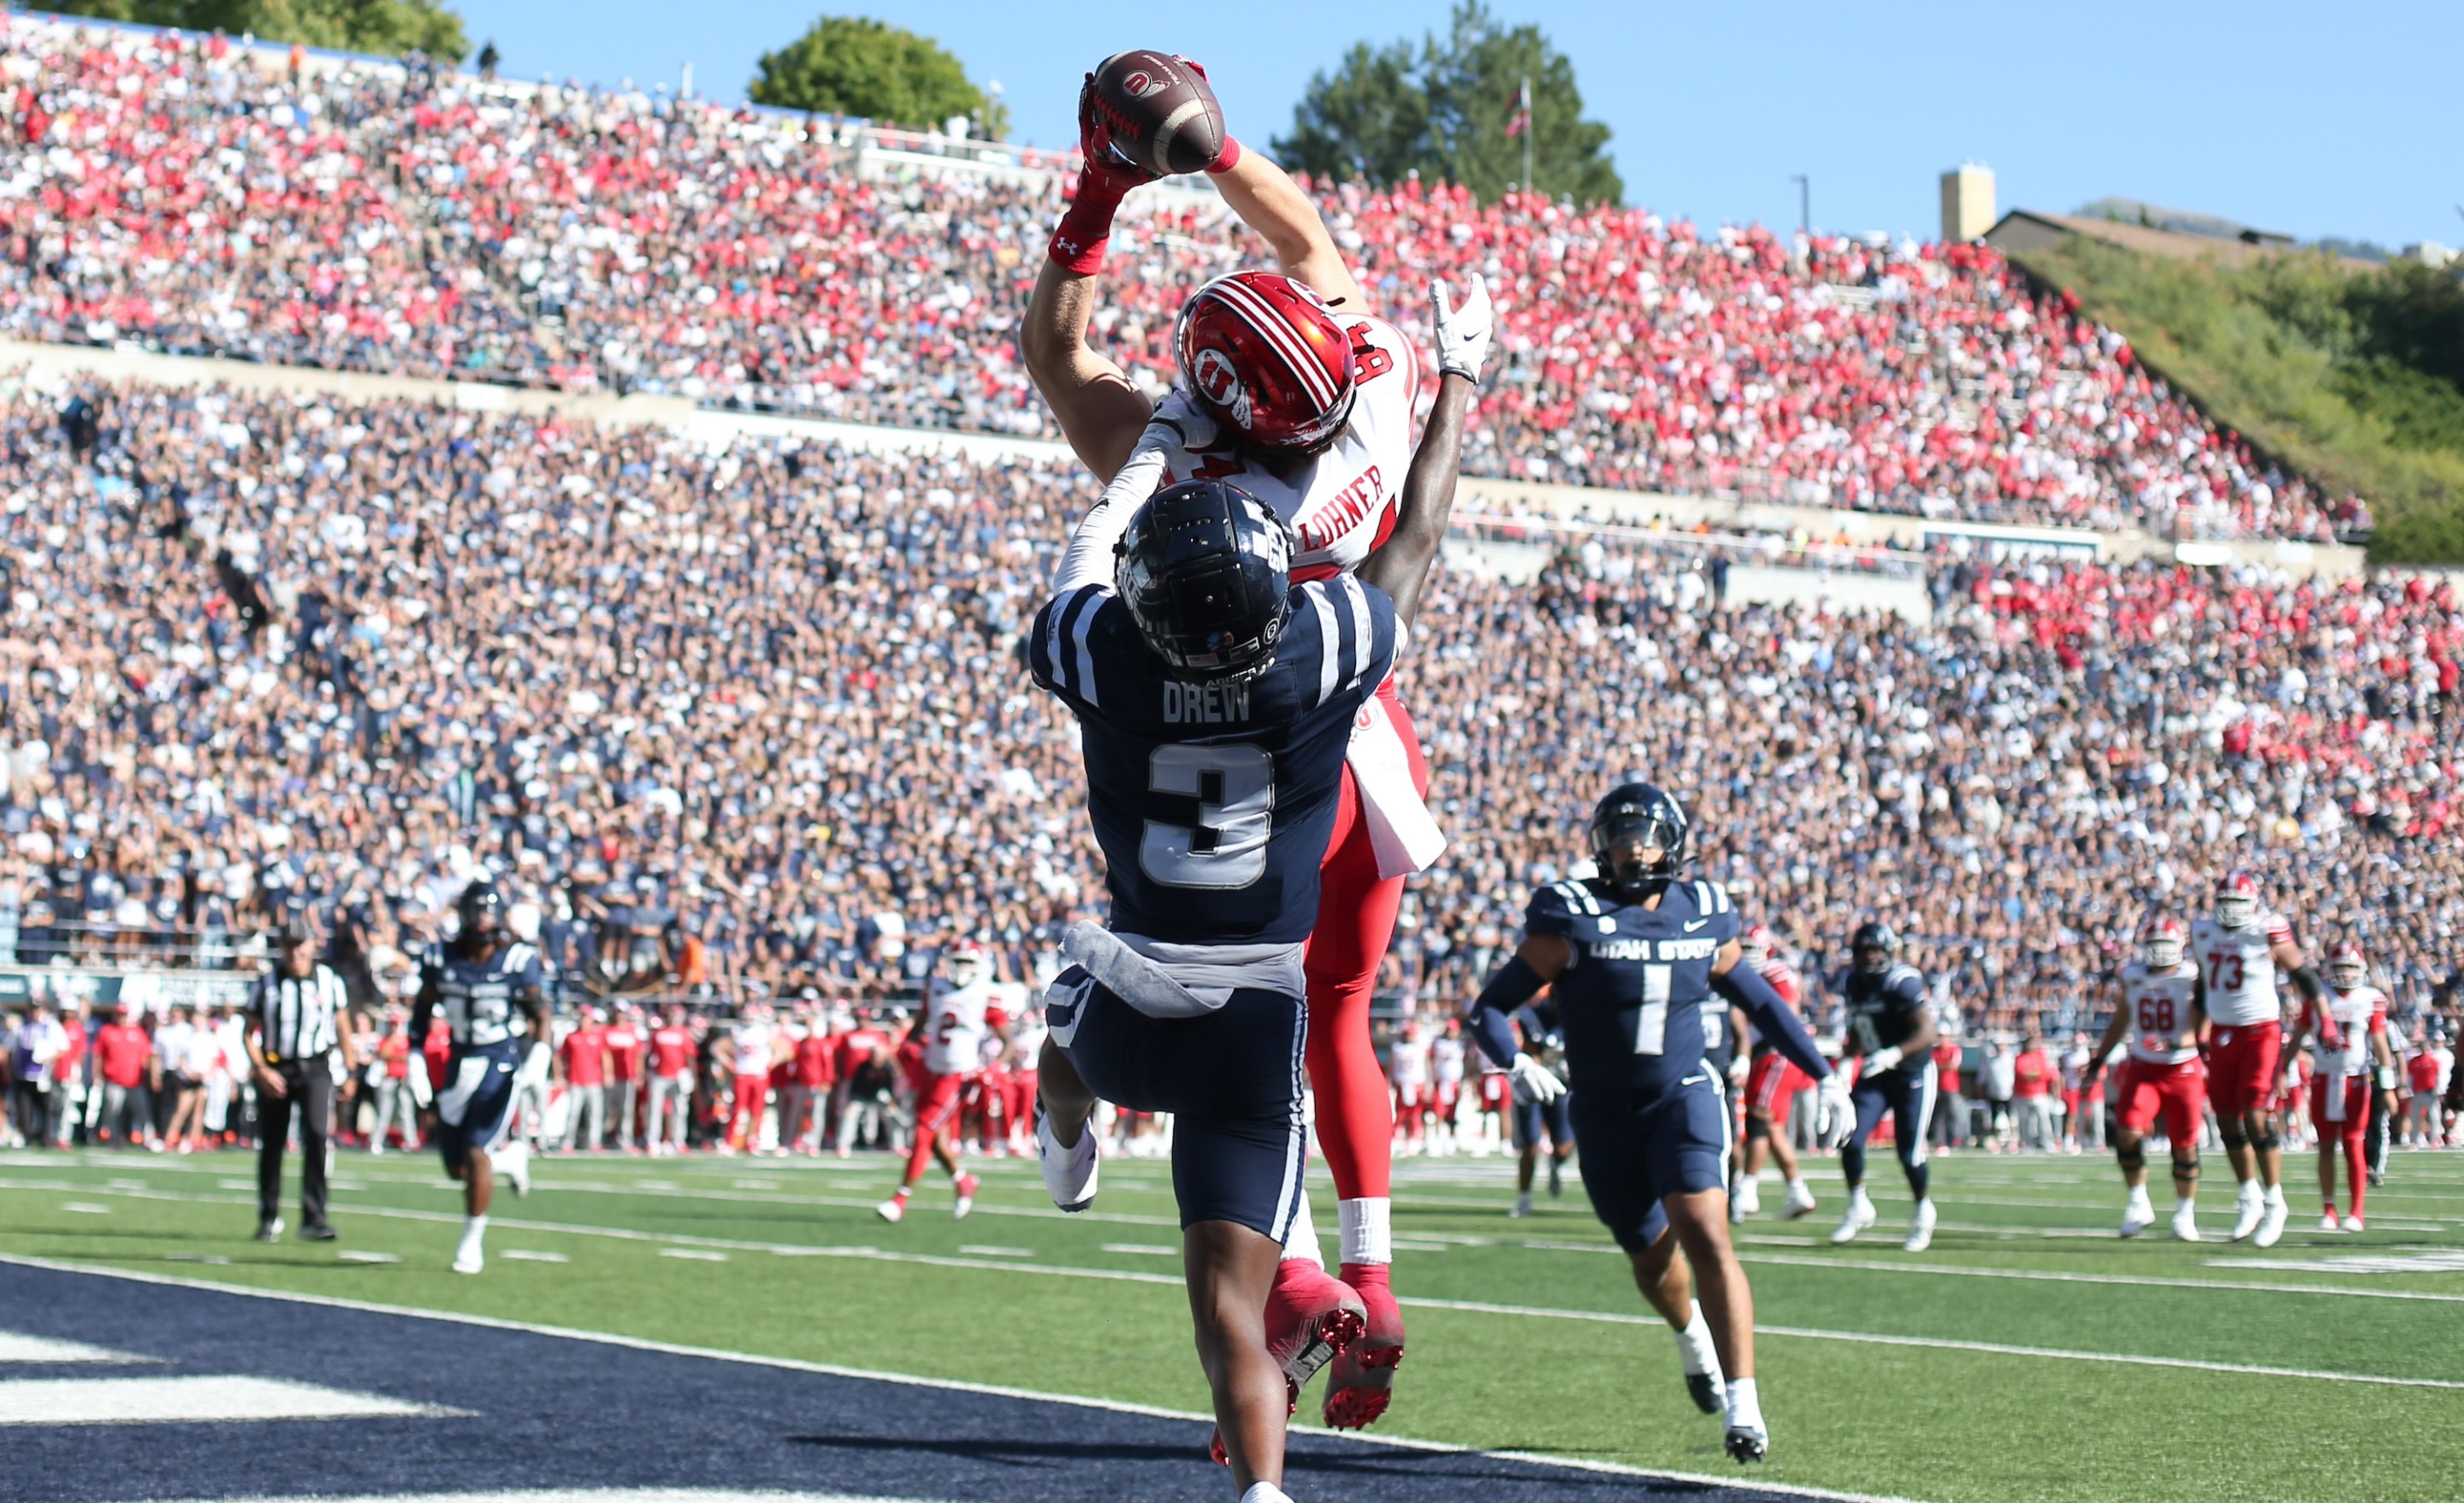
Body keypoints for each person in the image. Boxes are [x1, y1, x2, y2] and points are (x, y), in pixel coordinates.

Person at [1023, 75, 1449, 1429]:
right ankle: (1366, 1273)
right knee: (1332, 1011)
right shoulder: (1372, 389)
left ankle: (1297, 1275)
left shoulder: (1197, 486)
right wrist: (1215, 152)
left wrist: (1101, 196)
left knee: (1203, 989)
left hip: (1250, 746)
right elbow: (1306, 240)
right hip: (1362, 735)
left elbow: (1060, 359)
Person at [1465, 782, 1833, 1463]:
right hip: (1603, 1112)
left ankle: (1744, 1405)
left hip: (1684, 1095)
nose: (1636, 850)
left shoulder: (1704, 913)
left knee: (1706, 1233)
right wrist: (1514, 1062)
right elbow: (1490, 1008)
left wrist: (1824, 1070)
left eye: (1648, 837)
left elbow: (1764, 1003)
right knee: (1650, 1259)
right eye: (1622, 837)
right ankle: (1691, 1336)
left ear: (1674, 844)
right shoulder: (1573, 914)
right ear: (1601, 848)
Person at [412, 880, 550, 1275]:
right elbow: (421, 1016)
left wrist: (539, 1055)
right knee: (456, 1168)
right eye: (476, 910)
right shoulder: (441, 957)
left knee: (475, 1151)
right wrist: (416, 1059)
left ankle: (471, 1243)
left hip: (499, 1062)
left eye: (488, 911)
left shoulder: (518, 960)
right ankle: (509, 1160)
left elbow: (540, 1014)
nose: (482, 919)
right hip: (459, 1062)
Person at [2191, 871, 2330, 1248]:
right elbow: (2203, 985)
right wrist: (2199, 1030)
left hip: (2261, 1031)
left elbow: (2305, 977)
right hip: (2222, 1032)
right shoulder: (2203, 932)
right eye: (2226, 904)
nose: (2231, 912)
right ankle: (2248, 1195)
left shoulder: (2267, 929)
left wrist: (2325, 1018)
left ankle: (2275, 1201)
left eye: (2238, 904)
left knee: (2255, 1113)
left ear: (2252, 905)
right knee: (2223, 1118)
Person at [2080, 916, 2206, 1240]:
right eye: (2154, 946)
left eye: (2166, 945)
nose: (2160, 953)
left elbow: (2205, 1024)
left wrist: (2177, 1042)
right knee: (2126, 1133)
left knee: (2185, 1145)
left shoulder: (2192, 977)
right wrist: (2097, 1062)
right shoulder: (2134, 976)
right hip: (2145, 1065)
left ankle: (2184, 1212)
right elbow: (2121, 1021)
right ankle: (2138, 1202)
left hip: (2183, 1067)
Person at [1828, 921, 1943, 1251]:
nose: (1870, 957)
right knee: (1849, 1137)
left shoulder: (1901, 982)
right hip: (1876, 1073)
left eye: (1876, 950)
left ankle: (1923, 1211)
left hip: (1912, 1073)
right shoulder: (1854, 983)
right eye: (1864, 951)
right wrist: (1847, 1061)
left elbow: (1927, 1032)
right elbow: (1859, 1029)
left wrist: (1894, 1053)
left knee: (1909, 1154)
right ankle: (1858, 1205)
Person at [246, 918, 361, 1241]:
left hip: (316, 1067)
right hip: (277, 1067)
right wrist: (262, 1069)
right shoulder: (266, 983)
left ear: (312, 945)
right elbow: (248, 1034)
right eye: (289, 945)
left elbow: (343, 1027)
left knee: (316, 1135)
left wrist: (351, 1071)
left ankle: (314, 1218)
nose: (295, 951)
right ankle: (268, 1217)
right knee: (272, 1143)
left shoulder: (328, 980)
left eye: (300, 944)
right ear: (281, 947)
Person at [878, 942, 1009, 1222]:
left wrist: (993, 1068)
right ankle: (963, 1180)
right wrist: (909, 1047)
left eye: (966, 962)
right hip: (930, 1067)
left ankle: (900, 1197)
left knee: (924, 1130)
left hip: (958, 1074)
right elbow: (920, 1025)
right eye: (956, 961)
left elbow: (1008, 1040)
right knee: (933, 1137)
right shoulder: (935, 987)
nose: (960, 968)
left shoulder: (985, 993)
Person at [2289, 943, 2400, 1231]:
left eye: (2350, 967)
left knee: (2353, 1143)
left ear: (2361, 969)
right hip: (2324, 1078)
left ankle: (2357, 1212)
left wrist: (2388, 1087)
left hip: (2357, 1078)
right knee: (2325, 1145)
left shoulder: (2370, 998)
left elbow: (2380, 1045)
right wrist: (2281, 1069)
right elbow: (2298, 1037)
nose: (2346, 974)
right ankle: (2329, 1210)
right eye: (2340, 968)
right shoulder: (2318, 997)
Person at [1730, 924, 1819, 1222]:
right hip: (1768, 1054)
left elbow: (1787, 1015)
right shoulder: (1750, 975)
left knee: (1758, 1117)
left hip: (1776, 1053)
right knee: (1773, 1127)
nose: (1748, 955)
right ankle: (1798, 1190)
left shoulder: (1774, 971)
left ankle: (1748, 1189)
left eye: (1753, 949)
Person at [1504, 995, 1573, 1217]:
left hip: (1561, 1086)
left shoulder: (1578, 1015)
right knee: (1531, 1145)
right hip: (1533, 1085)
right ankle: (1524, 1199)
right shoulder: (1533, 1017)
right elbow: (1531, 1054)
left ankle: (1554, 1163)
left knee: (1564, 1147)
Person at [646, 1003, 696, 1155]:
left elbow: (690, 1056)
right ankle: (653, 1141)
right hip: (660, 1075)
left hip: (678, 1076)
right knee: (654, 1110)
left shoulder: (685, 1033)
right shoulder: (658, 1033)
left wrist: (691, 1075)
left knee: (679, 1110)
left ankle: (678, 1141)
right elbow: (651, 1055)